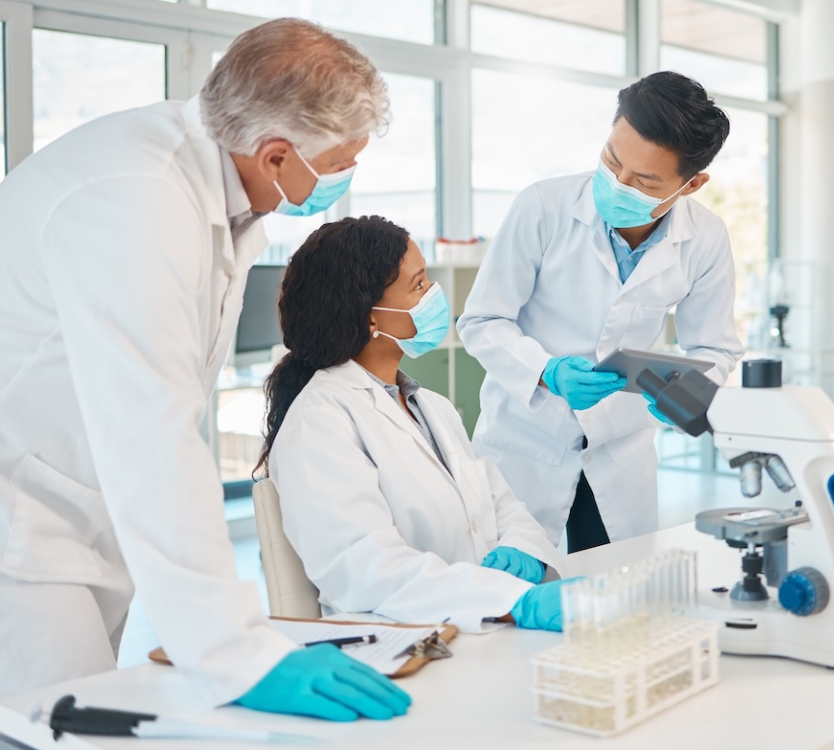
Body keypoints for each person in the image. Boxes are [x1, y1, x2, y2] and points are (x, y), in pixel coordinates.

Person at [0, 18, 412, 721]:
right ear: (276, 154)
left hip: (79, 499)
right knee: (54, 722)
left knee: (82, 711)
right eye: (342, 162)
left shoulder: (220, 193)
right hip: (21, 519)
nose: (346, 178)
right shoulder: (137, 199)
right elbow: (151, 433)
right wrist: (238, 653)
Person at [457, 72, 744, 554]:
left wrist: (689, 392)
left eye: (644, 181)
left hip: (620, 449)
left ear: (692, 184)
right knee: (514, 580)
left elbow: (714, 347)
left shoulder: (706, 238)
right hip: (526, 441)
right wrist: (546, 371)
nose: (618, 184)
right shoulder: (542, 206)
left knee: (619, 585)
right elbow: (482, 321)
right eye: (611, 161)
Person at [259, 215, 577, 634]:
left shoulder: (431, 406)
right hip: (397, 641)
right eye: (419, 285)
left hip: (476, 627)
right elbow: (366, 568)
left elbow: (501, 504)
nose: (434, 295)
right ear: (370, 318)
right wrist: (510, 601)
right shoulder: (319, 422)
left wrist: (524, 551)